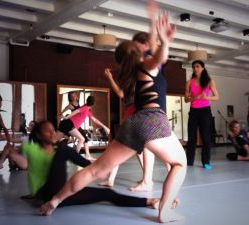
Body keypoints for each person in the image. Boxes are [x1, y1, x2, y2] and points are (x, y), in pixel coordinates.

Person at [40, 14, 186, 223]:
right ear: (139, 52)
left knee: (94, 171)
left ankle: (54, 201)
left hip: (133, 123)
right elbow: (160, 58)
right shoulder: (146, 66)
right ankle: (165, 211)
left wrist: (159, 40)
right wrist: (164, 42)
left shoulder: (132, 73)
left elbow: (157, 59)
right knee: (180, 163)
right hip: (152, 120)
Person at [21, 120, 161, 209]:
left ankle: (148, 202)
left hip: (63, 195)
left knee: (107, 193)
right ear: (39, 136)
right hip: (47, 194)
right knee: (64, 149)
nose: (53, 133)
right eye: (48, 131)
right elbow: (21, 160)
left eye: (53, 130)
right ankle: (95, 168)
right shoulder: (33, 149)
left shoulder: (56, 152)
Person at [99, 0, 159, 191]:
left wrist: (153, 21)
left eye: (137, 45)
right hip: (132, 110)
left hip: (142, 111)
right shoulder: (132, 70)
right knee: (124, 146)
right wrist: (110, 78)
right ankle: (113, 179)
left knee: (144, 147)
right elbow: (121, 93)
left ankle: (147, 180)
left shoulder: (146, 64)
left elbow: (156, 50)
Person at [185, 60, 219, 169]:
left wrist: (206, 97)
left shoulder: (209, 81)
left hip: (205, 111)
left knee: (206, 137)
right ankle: (189, 161)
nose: (195, 69)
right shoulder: (189, 82)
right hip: (193, 111)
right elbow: (186, 99)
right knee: (191, 138)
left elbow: (216, 97)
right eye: (193, 67)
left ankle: (206, 162)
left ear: (203, 68)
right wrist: (193, 97)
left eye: (197, 66)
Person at [58, 95, 110, 160]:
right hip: (69, 124)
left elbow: (95, 120)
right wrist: (67, 117)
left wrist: (104, 127)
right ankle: (74, 157)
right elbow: (76, 111)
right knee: (82, 139)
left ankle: (79, 155)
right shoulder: (85, 107)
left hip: (66, 123)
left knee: (54, 139)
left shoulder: (86, 110)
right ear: (93, 104)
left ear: (87, 100)